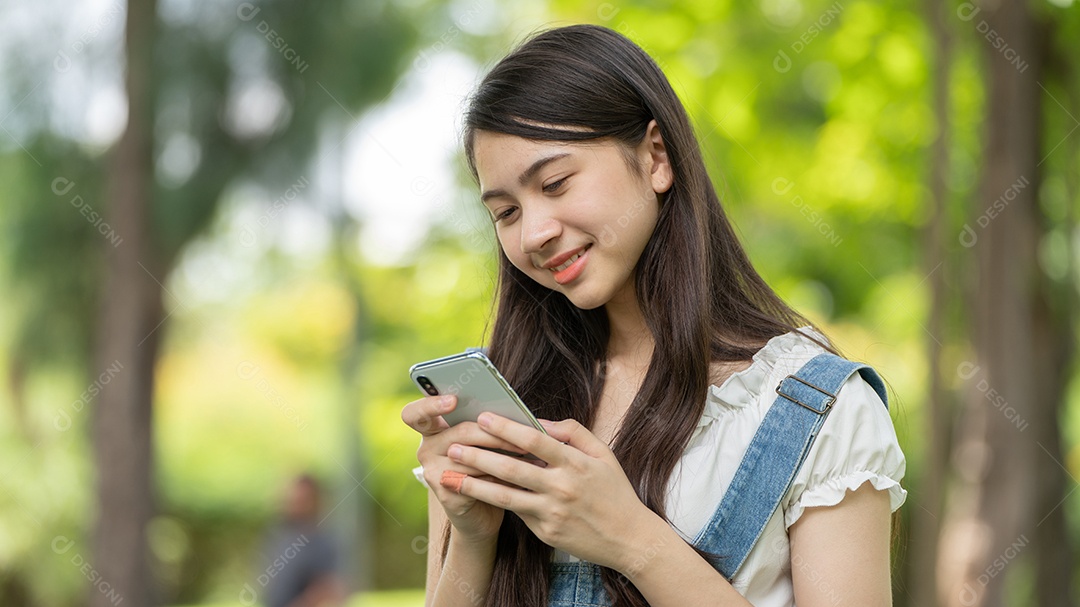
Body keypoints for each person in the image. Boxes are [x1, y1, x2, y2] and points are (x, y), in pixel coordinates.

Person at [401, 24, 906, 607]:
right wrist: (472, 535)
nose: (535, 232)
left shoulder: (815, 409)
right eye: (507, 211)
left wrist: (632, 541)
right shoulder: (502, 407)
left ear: (656, 158)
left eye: (556, 183)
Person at [253, 474, 344, 607]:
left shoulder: (322, 540)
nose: (296, 503)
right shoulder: (280, 533)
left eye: (303, 499)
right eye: (293, 499)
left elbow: (330, 586)